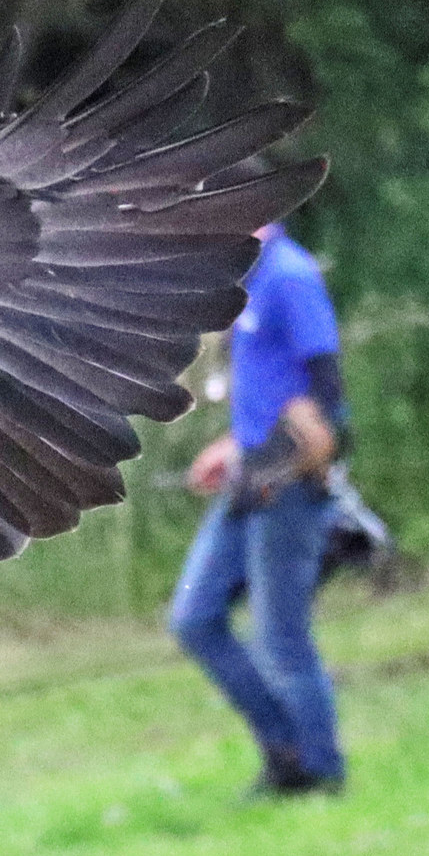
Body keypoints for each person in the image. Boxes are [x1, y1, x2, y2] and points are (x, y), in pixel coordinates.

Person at [170, 220, 349, 795]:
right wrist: (234, 447)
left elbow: (327, 390)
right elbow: (269, 383)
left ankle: (319, 775)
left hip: (289, 482)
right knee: (195, 619)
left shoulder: (290, 276)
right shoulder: (249, 277)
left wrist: (285, 460)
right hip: (250, 473)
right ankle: (286, 748)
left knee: (282, 637)